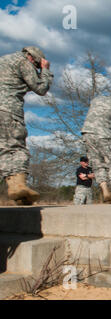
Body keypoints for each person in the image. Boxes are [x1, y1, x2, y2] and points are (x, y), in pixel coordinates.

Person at [0, 46, 53, 204]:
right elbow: (41, 88)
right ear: (32, 58)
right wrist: (45, 70)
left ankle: (21, 196)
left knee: (3, 149)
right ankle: (18, 187)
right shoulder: (23, 62)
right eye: (36, 65)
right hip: (7, 110)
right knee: (16, 148)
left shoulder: (4, 61)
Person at [81, 92, 111, 204]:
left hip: (87, 133)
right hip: (103, 134)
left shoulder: (97, 98)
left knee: (97, 164)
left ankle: (105, 192)